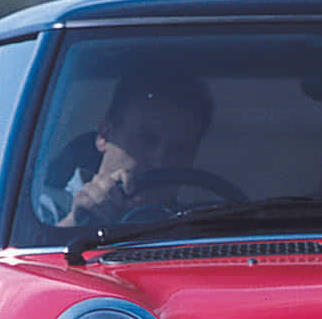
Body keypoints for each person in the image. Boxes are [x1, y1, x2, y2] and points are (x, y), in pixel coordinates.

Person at [40, 70, 216, 227]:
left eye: (180, 148)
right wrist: (75, 222)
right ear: (105, 135)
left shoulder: (197, 230)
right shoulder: (40, 211)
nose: (161, 159)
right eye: (146, 139)